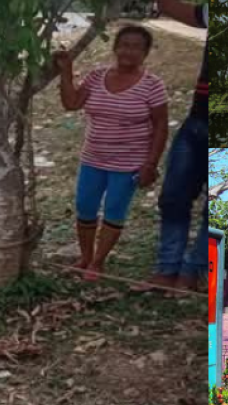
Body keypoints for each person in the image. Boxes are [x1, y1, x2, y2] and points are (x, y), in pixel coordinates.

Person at [54, 24, 169, 281]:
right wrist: (66, 72)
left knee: (114, 212)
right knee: (85, 208)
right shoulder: (96, 77)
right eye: (124, 45)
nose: (129, 51)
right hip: (93, 158)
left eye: (137, 47)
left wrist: (151, 164)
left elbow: (161, 126)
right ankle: (84, 256)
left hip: (129, 163)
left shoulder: (152, 85)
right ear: (115, 47)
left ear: (146, 53)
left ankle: (98, 261)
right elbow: (71, 103)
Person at [135, 0, 208, 294]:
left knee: (217, 210)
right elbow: (169, 4)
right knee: (174, 197)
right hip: (197, 123)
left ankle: (192, 272)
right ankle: (167, 270)